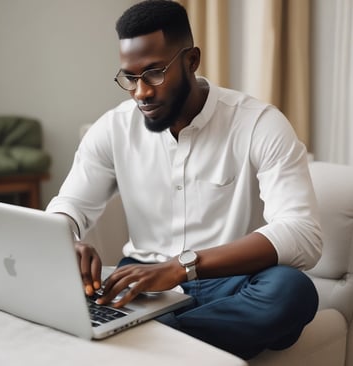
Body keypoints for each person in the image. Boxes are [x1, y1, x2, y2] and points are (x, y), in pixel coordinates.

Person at [46, 0, 322, 360]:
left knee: (292, 292)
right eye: (130, 77)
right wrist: (64, 237)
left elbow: (303, 233)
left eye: (154, 73)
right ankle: (159, 339)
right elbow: (69, 206)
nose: (141, 92)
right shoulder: (113, 128)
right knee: (55, 290)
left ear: (192, 60)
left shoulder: (259, 124)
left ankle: (141, 344)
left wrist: (181, 267)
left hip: (232, 282)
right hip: (140, 282)